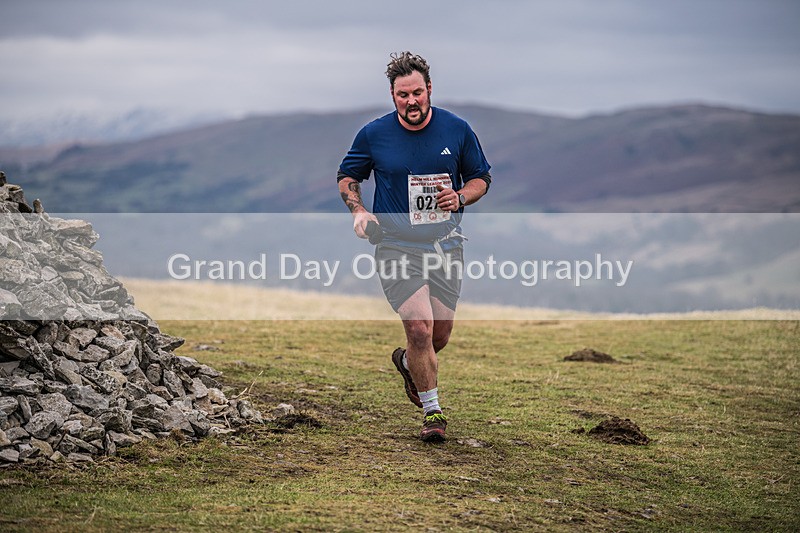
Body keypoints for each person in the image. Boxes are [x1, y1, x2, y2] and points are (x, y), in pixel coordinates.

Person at [337, 51, 491, 442]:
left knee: (439, 336)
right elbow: (348, 176)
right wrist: (359, 210)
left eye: (417, 93)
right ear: (393, 95)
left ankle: (407, 362)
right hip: (395, 245)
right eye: (403, 95)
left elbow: (481, 178)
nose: (411, 101)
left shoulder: (457, 129)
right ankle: (432, 412)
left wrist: (460, 196)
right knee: (420, 328)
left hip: (445, 245)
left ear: (429, 90)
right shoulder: (374, 134)